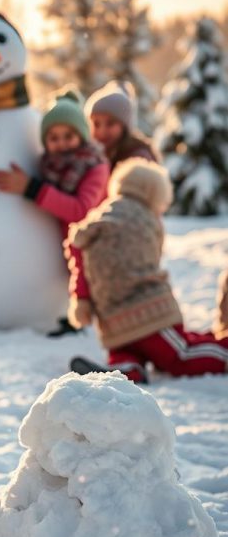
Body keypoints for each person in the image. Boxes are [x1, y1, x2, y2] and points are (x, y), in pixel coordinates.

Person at [66, 159, 228, 383]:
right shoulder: (147, 218)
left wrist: (82, 299)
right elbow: (154, 255)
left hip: (112, 322)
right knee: (181, 353)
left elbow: (77, 246)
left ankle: (125, 370)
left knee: (128, 352)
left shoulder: (100, 216)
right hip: (150, 313)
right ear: (156, 194)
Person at [0, 86, 109, 336]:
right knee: (77, 284)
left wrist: (31, 188)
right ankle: (74, 319)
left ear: (82, 136)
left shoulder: (95, 168)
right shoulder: (50, 168)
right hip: (70, 246)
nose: (62, 143)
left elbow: (80, 210)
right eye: (54, 138)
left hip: (99, 244)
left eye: (69, 136)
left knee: (99, 289)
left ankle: (109, 332)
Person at [85, 81, 158, 172]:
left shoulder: (137, 158)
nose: (102, 131)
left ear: (124, 126)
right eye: (96, 124)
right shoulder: (88, 155)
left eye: (110, 123)